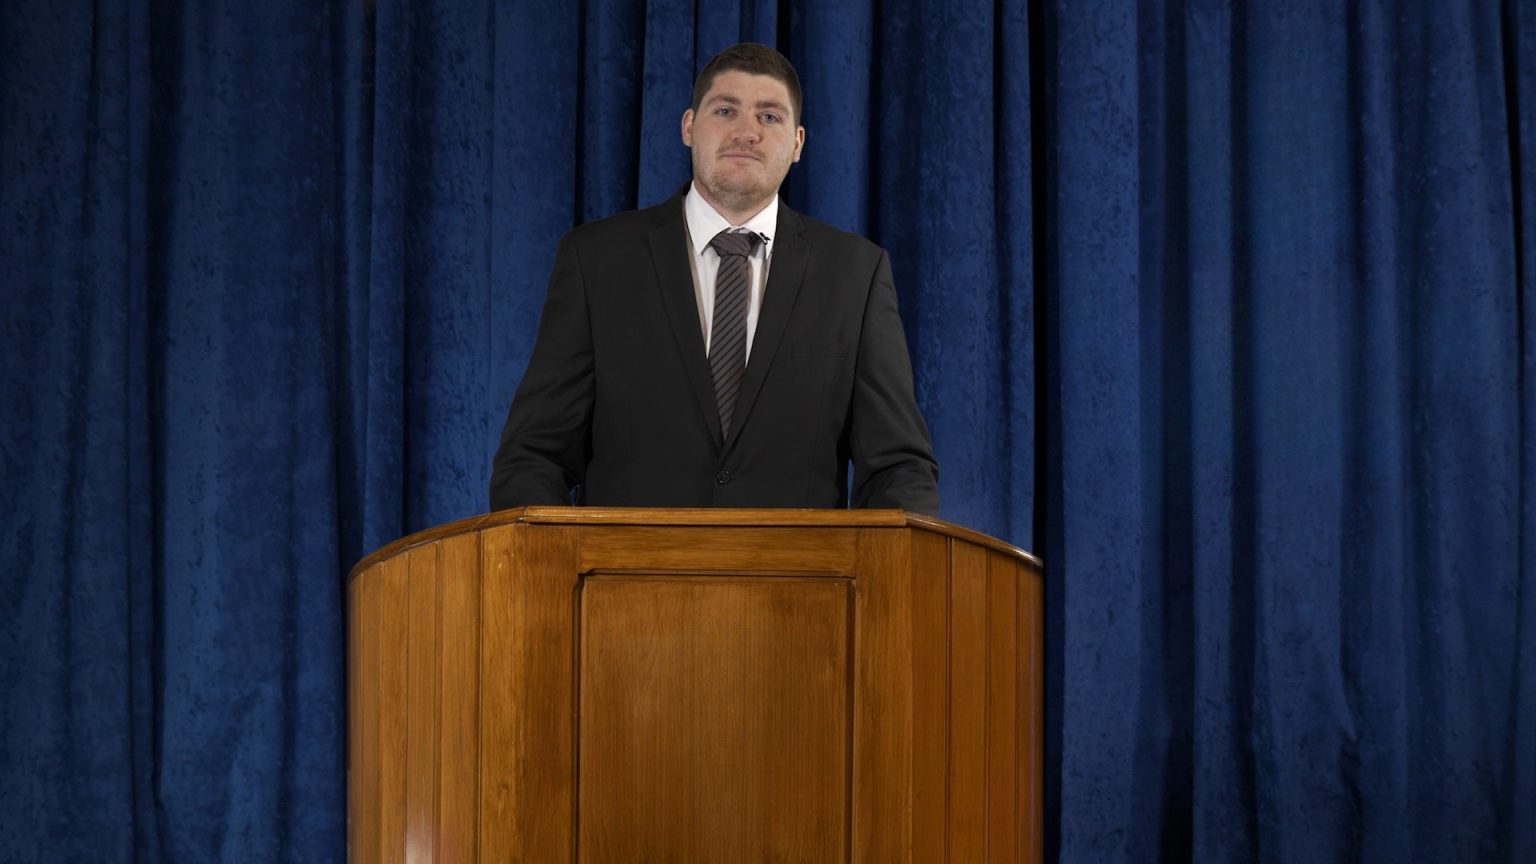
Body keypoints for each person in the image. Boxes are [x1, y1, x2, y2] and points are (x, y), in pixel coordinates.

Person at [489, 43, 939, 515]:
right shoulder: (596, 260)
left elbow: (898, 468)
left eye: (769, 117)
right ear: (688, 126)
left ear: (798, 143)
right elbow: (534, 457)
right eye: (726, 110)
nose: (746, 132)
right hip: (629, 564)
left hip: (798, 565)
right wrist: (552, 559)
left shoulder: (855, 273)